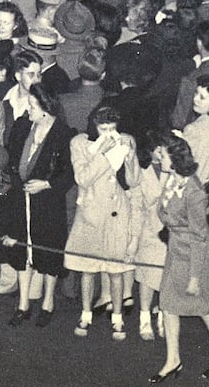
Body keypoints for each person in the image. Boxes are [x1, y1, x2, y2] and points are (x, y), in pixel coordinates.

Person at [153, 133, 209, 381]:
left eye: (163, 155)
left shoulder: (195, 192)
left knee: (204, 307)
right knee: (167, 305)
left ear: (175, 160)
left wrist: (195, 277)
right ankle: (172, 359)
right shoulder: (172, 180)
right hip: (177, 250)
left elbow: (199, 236)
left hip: (195, 254)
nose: (159, 157)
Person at [0, 82, 73, 328]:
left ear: (46, 108)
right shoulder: (22, 127)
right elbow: (10, 159)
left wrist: (47, 184)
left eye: (32, 105)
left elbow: (68, 174)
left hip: (48, 203)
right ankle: (23, 304)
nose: (27, 109)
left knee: (48, 251)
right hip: (21, 200)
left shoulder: (63, 134)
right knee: (22, 251)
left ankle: (48, 302)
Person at [65, 103, 138, 340]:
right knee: (88, 269)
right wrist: (104, 155)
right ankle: (85, 314)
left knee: (116, 270)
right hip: (91, 213)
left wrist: (130, 157)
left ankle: (117, 318)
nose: (108, 134)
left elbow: (134, 180)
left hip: (118, 212)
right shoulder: (79, 143)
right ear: (93, 125)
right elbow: (82, 178)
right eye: (103, 128)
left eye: (112, 129)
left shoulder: (127, 139)